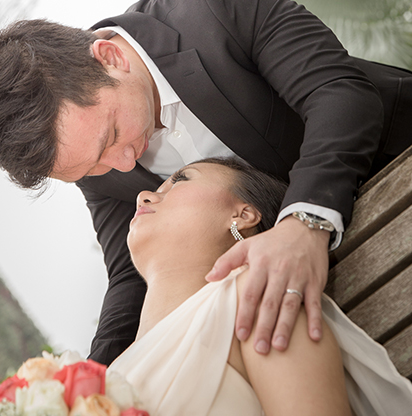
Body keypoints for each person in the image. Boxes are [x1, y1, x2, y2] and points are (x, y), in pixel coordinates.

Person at [0, 0, 412, 365]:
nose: (124, 161)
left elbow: (338, 94)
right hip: (313, 305)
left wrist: (304, 222)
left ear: (109, 56)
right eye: (93, 167)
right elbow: (131, 274)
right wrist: (93, 381)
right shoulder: (93, 158)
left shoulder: (214, 0)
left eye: (111, 135)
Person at [109, 157, 412, 416]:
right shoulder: (107, 376)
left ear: (243, 215)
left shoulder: (254, 296)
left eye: (180, 180)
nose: (144, 196)